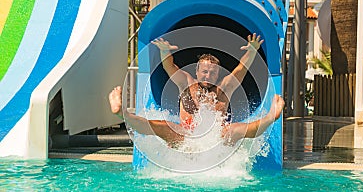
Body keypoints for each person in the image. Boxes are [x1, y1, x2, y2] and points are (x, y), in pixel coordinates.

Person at [109, 33, 284, 146]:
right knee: (162, 126)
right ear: (197, 71)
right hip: (186, 138)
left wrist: (252, 51)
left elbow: (241, 68)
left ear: (217, 75)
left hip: (215, 141)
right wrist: (164, 52)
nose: (208, 76)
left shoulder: (224, 88)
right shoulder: (186, 83)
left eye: (212, 73)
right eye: (204, 71)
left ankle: (270, 117)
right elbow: (169, 67)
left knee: (236, 129)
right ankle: (121, 113)